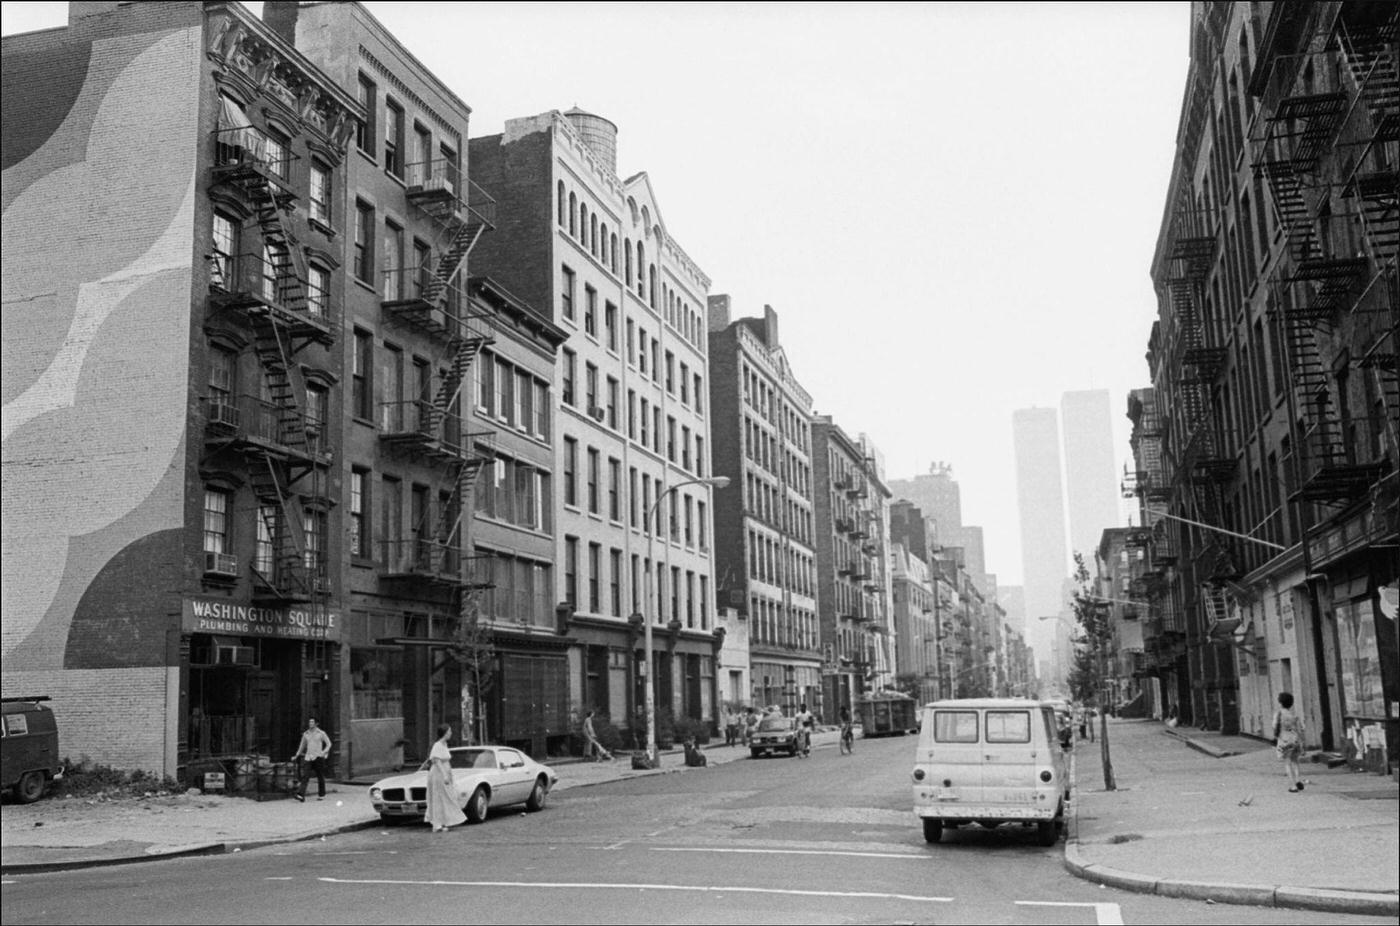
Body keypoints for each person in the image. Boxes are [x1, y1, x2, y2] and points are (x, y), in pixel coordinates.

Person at [425, 723, 467, 832]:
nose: (451, 733)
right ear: (444, 733)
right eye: (449, 731)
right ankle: (436, 823)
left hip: (444, 772)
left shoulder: (444, 745)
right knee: (438, 797)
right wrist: (444, 775)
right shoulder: (437, 745)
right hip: (438, 774)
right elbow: (437, 761)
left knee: (445, 797)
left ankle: (443, 822)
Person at [1272, 691, 1306, 793]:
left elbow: (1274, 727)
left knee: (1287, 763)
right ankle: (1298, 779)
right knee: (1295, 761)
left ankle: (1293, 786)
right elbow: (1301, 729)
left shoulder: (1278, 714)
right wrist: (1302, 742)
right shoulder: (1294, 715)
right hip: (1295, 740)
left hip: (1284, 741)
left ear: (1280, 703)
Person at [292, 717, 331, 802]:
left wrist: (324, 752)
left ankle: (321, 794)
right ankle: (301, 794)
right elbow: (302, 746)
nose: (310, 724)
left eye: (312, 722)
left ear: (316, 724)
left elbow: (328, 744)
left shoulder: (321, 733)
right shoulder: (306, 734)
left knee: (320, 776)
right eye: (310, 722)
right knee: (305, 776)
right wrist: (296, 755)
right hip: (308, 757)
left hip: (318, 757)